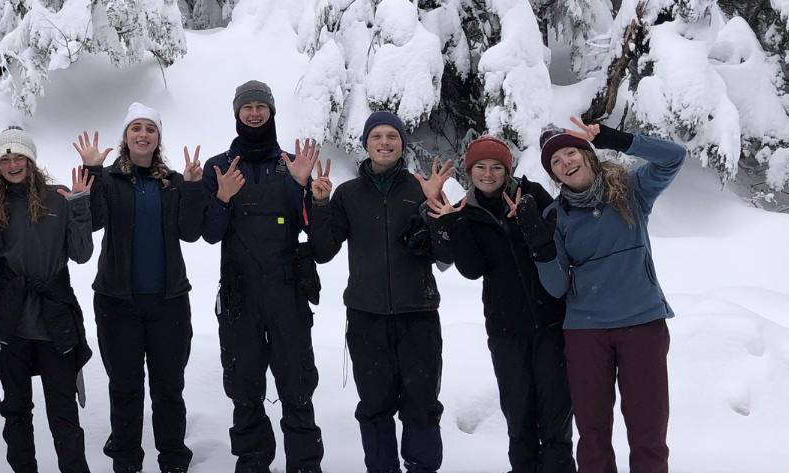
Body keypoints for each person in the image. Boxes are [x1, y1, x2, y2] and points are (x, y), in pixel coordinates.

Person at [519, 118, 685, 473]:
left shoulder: (629, 190)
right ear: (554, 174)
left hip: (642, 324)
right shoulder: (554, 215)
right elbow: (556, 287)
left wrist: (617, 139)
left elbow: (674, 156)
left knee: (648, 433)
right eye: (555, 161)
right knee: (592, 436)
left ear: (587, 154)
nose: (565, 162)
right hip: (586, 334)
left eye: (570, 152)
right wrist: (541, 248)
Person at [307, 111, 448, 473]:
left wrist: (435, 211)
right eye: (377, 136)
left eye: (392, 136)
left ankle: (422, 468)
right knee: (374, 405)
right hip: (366, 317)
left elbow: (447, 256)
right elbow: (323, 251)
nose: (385, 142)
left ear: (402, 143)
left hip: (418, 314)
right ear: (366, 144)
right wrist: (320, 204)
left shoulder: (422, 188)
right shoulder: (348, 194)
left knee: (422, 403)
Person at [426, 136, 575, 473]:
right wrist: (454, 222)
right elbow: (472, 269)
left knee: (556, 416)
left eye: (496, 167)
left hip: (552, 323)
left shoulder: (532, 194)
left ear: (507, 170)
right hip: (506, 330)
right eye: (480, 167)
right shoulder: (464, 209)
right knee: (519, 416)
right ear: (470, 172)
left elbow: (558, 244)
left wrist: (525, 222)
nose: (488, 174)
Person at [73, 102, 206, 473]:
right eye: (136, 128)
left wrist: (193, 188)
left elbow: (190, 232)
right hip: (117, 303)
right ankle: (127, 461)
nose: (143, 134)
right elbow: (94, 222)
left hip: (169, 302)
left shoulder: (174, 181)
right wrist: (92, 171)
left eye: (150, 128)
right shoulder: (109, 179)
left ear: (158, 137)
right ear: (126, 136)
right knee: (125, 388)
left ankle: (173, 460)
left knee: (168, 389)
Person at [200, 80, 325, 473]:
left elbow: (307, 228)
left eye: (261, 106)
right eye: (247, 107)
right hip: (239, 295)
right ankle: (253, 462)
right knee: (245, 389)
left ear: (271, 111)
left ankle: (305, 465)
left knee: (297, 386)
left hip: (288, 291)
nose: (254, 113)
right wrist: (221, 198)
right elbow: (210, 234)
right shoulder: (218, 167)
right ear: (237, 113)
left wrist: (303, 187)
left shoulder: (290, 163)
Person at [0, 126, 96, 473]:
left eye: (18, 157)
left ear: (31, 159)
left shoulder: (60, 197)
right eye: (4, 160)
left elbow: (82, 254)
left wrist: (80, 206)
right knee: (16, 411)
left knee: (63, 412)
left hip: (55, 320)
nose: (12, 165)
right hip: (11, 322)